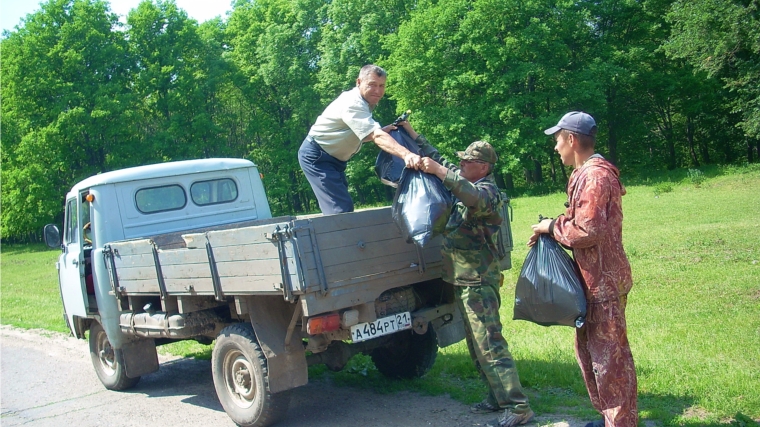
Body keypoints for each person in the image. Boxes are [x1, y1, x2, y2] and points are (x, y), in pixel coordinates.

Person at [402, 122, 534, 427]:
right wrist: (413, 134)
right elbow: (442, 161)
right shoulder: (465, 179)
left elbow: (466, 191)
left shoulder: (487, 192)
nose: (460, 164)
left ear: (483, 167)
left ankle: (517, 407)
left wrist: (439, 171)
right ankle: (496, 397)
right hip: (463, 280)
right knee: (476, 345)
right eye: (460, 161)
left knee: (489, 342)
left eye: (467, 162)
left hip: (478, 281)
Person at [529, 112, 637, 427]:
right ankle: (609, 420)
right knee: (593, 357)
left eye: (558, 140)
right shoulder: (587, 174)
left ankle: (620, 424)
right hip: (593, 282)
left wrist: (551, 226)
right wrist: (552, 229)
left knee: (610, 364)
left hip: (602, 283)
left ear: (572, 140)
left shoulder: (595, 176)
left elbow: (587, 230)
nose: (556, 148)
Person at [298, 64, 421, 214]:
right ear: (358, 82)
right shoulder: (353, 103)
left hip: (334, 159)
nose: (378, 91)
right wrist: (407, 154)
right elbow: (376, 136)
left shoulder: (366, 102)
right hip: (318, 157)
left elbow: (357, 134)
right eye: (372, 85)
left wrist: (379, 131)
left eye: (382, 86)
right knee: (340, 211)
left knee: (342, 209)